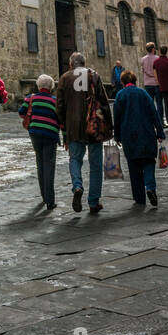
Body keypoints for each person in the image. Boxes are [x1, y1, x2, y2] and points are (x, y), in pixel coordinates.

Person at [57, 51, 112, 215]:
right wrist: (109, 125)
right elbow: (103, 101)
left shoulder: (65, 78)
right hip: (93, 127)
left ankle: (77, 186)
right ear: (84, 63)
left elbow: (59, 107)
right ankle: (94, 201)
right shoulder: (94, 75)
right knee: (96, 165)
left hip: (73, 127)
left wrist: (63, 128)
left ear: (70, 64)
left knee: (75, 159)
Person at [113, 69, 165, 207]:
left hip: (129, 136)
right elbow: (154, 113)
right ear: (135, 80)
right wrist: (160, 132)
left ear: (123, 82)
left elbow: (117, 118)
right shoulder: (143, 93)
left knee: (134, 166)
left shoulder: (120, 95)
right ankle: (150, 187)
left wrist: (116, 135)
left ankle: (139, 198)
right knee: (148, 162)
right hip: (146, 133)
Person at [18, 74, 61, 210]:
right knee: (49, 166)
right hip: (50, 135)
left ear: (39, 85)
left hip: (35, 133)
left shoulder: (31, 98)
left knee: (40, 163)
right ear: (51, 87)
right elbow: (60, 118)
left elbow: (21, 112)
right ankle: (50, 200)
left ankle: (44, 196)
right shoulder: (55, 101)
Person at [140, 42, 164, 128]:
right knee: (159, 103)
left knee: (149, 103)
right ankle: (160, 121)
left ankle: (150, 121)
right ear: (153, 49)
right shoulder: (157, 58)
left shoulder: (143, 59)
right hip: (156, 83)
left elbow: (143, 70)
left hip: (148, 83)